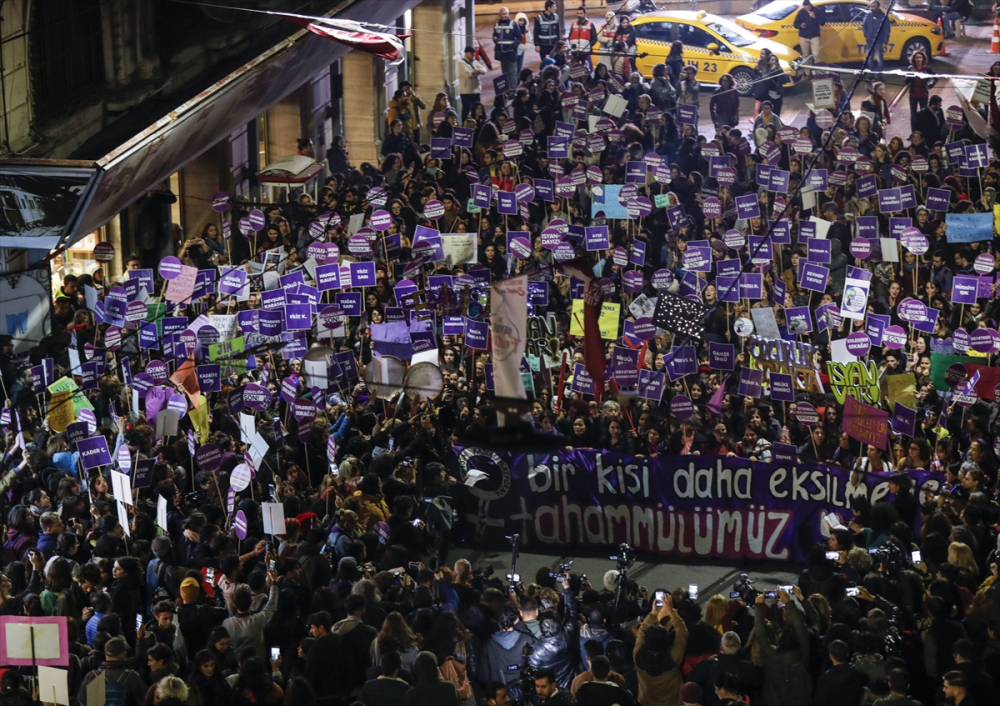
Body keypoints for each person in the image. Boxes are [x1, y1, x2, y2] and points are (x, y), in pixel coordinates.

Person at [493, 7, 523, 92]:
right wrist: (494, 38)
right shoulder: (496, 24)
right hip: (502, 52)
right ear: (499, 15)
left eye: (506, 13)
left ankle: (513, 89)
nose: (505, 15)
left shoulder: (513, 24)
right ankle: (506, 89)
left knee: (512, 72)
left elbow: (519, 37)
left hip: (511, 52)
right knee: (504, 72)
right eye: (503, 14)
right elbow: (494, 35)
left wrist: (513, 46)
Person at [794, 0, 825, 73]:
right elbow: (795, 24)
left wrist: (814, 17)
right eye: (804, 7)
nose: (806, 9)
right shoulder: (801, 12)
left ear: (810, 5)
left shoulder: (817, 11)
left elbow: (823, 22)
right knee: (805, 55)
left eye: (807, 7)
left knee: (816, 55)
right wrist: (800, 26)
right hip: (803, 36)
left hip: (814, 36)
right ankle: (807, 72)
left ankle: (818, 72)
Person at [458, 46, 487, 122]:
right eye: (471, 53)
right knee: (466, 109)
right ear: (466, 53)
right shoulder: (461, 63)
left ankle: (476, 122)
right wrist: (476, 72)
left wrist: (478, 70)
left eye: (473, 53)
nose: (473, 54)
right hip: (466, 91)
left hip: (476, 90)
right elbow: (468, 74)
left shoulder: (475, 62)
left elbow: (484, 70)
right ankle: (465, 123)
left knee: (477, 108)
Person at [862, 1, 891, 72]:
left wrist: (885, 42)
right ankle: (872, 73)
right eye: (871, 6)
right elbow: (864, 26)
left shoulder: (883, 16)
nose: (871, 8)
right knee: (869, 59)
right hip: (869, 41)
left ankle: (879, 75)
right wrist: (866, 34)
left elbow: (887, 30)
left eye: (873, 7)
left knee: (879, 59)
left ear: (878, 7)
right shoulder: (868, 15)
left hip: (879, 41)